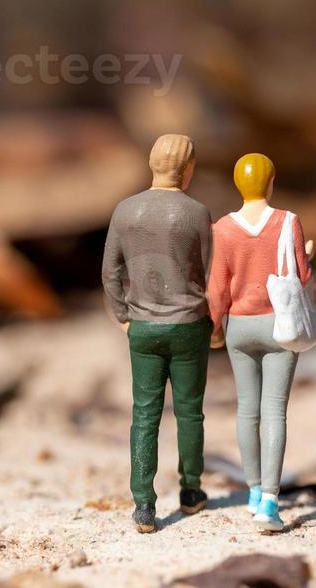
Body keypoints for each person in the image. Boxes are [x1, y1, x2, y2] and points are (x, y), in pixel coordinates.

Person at [101, 133, 214, 533]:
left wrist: (123, 315)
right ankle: (191, 490)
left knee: (144, 415)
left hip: (143, 327)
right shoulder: (197, 212)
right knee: (189, 412)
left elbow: (110, 271)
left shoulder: (125, 210)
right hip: (188, 326)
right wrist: (214, 321)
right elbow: (210, 273)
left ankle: (144, 505)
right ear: (187, 169)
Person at [206, 153, 312, 532]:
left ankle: (252, 491)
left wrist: (214, 327)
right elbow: (299, 275)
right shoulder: (288, 221)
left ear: (239, 184)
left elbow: (217, 288)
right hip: (278, 325)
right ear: (270, 182)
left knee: (246, 410)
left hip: (239, 326)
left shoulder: (222, 228)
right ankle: (270, 499)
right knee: (275, 412)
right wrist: (309, 256)